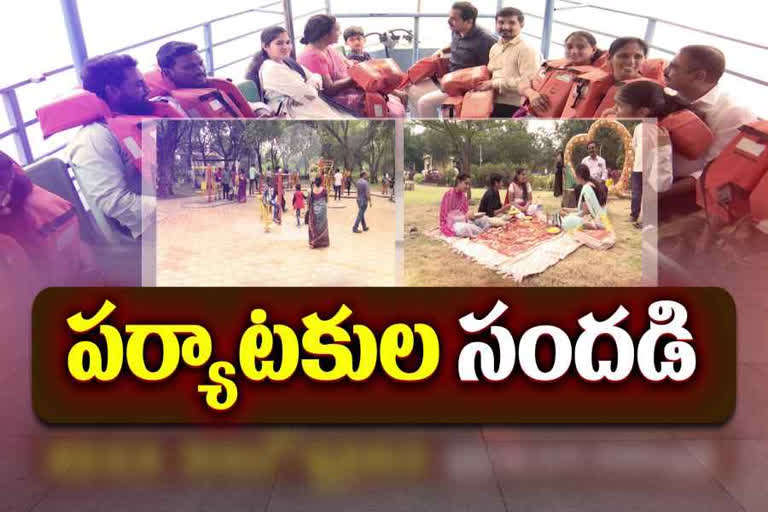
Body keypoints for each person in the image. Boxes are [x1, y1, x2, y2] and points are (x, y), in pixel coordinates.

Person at [67, 54, 155, 241]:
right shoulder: (94, 139)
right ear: (113, 91)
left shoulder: (139, 121)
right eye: (138, 85)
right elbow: (114, 202)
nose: (148, 89)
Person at [664, 45, 758, 185]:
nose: (665, 71)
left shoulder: (733, 113)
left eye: (674, 67)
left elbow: (716, 172)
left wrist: (656, 195)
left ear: (699, 76)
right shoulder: (669, 94)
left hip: (690, 196)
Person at [613, 80, 683, 224]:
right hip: (637, 168)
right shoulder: (639, 128)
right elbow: (634, 147)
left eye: (619, 106)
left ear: (642, 112)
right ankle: (634, 216)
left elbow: (661, 184)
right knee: (636, 194)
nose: (614, 110)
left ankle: (643, 220)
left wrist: (663, 148)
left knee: (647, 195)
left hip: (649, 172)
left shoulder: (660, 134)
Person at [410, 2, 497, 117]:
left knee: (424, 103)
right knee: (412, 91)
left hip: (464, 87)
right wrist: (442, 51)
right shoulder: (457, 31)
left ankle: (437, 132)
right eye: (449, 17)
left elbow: (495, 67)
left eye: (454, 19)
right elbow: (455, 44)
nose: (449, 21)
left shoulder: (486, 40)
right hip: (448, 79)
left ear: (469, 21)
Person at [246, 26, 350, 119]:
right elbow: (310, 93)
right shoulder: (271, 69)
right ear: (265, 46)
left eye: (288, 42)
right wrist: (308, 85)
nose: (286, 47)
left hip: (307, 105)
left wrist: (307, 85)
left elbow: (316, 77)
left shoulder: (287, 61)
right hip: (293, 112)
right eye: (279, 43)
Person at [154, 41, 270, 117]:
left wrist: (261, 111)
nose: (199, 70)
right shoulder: (171, 107)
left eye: (200, 64)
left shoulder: (214, 88)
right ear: (168, 74)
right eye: (189, 67)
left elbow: (249, 105)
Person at [519, 31, 607, 115]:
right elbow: (523, 83)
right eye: (569, 47)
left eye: (581, 47)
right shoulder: (554, 67)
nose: (574, 51)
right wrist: (532, 94)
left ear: (594, 49)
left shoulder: (599, 80)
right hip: (529, 114)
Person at [474, 7, 540, 118]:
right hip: (490, 100)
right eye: (501, 22)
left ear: (522, 24)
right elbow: (492, 71)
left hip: (514, 106)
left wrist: (493, 83)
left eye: (512, 23)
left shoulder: (527, 50)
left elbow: (530, 83)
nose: (505, 27)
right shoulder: (495, 47)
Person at [298, 15, 366, 115]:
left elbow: (347, 63)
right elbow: (329, 90)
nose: (340, 33)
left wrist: (354, 66)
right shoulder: (312, 55)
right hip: (334, 102)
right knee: (380, 103)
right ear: (326, 34)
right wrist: (355, 78)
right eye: (337, 30)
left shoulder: (328, 48)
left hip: (349, 90)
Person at [439, 173, 491, 238]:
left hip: (464, 221)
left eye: (469, 184)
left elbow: (466, 213)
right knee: (467, 228)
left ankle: (481, 232)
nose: (468, 186)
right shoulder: (449, 195)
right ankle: (482, 233)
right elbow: (448, 218)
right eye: (466, 183)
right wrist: (464, 217)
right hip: (452, 224)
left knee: (484, 219)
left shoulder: (463, 196)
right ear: (458, 182)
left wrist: (471, 215)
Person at [562, 163, 610, 230]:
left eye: (576, 175)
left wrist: (569, 215)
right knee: (568, 218)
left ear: (580, 176)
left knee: (566, 222)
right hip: (601, 218)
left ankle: (592, 225)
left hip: (597, 220)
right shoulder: (591, 184)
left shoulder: (587, 189)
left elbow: (585, 212)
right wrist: (567, 209)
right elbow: (581, 209)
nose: (575, 177)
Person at [308, 176, 329, 248]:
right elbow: (326, 200)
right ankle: (322, 242)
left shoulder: (311, 190)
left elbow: (310, 201)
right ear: (321, 182)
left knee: (314, 225)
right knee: (322, 226)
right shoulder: (324, 190)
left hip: (314, 209)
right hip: (322, 209)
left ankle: (314, 242)